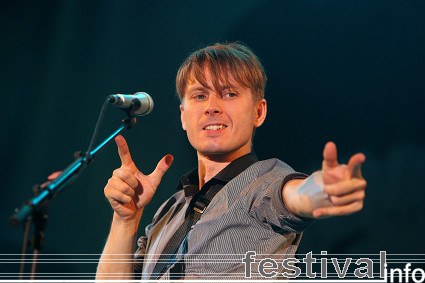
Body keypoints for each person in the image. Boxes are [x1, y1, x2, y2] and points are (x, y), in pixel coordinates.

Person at [95, 42, 366, 280]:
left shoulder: (266, 182)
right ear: (183, 116)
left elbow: (296, 196)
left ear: (258, 112)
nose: (212, 106)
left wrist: (323, 190)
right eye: (200, 96)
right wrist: (126, 220)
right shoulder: (170, 209)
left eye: (229, 94)